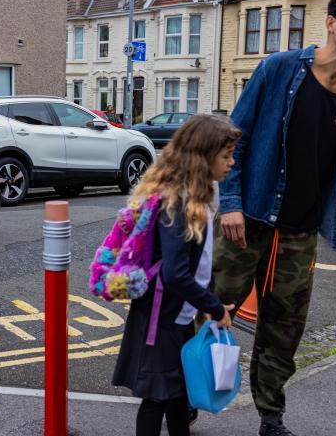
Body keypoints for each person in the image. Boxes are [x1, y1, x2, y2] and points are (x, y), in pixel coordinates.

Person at [214, 0, 336, 436]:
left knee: (284, 331)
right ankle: (182, 399)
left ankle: (270, 418)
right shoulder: (278, 70)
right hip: (250, 219)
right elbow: (231, 136)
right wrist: (232, 203)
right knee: (211, 313)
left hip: (298, 233)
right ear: (332, 23)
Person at [113, 114, 240, 436]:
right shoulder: (177, 202)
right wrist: (213, 307)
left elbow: (197, 266)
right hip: (160, 321)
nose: (231, 162)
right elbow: (176, 274)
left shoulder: (196, 197)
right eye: (225, 155)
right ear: (203, 156)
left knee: (177, 396)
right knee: (158, 399)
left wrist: (209, 304)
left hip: (176, 317)